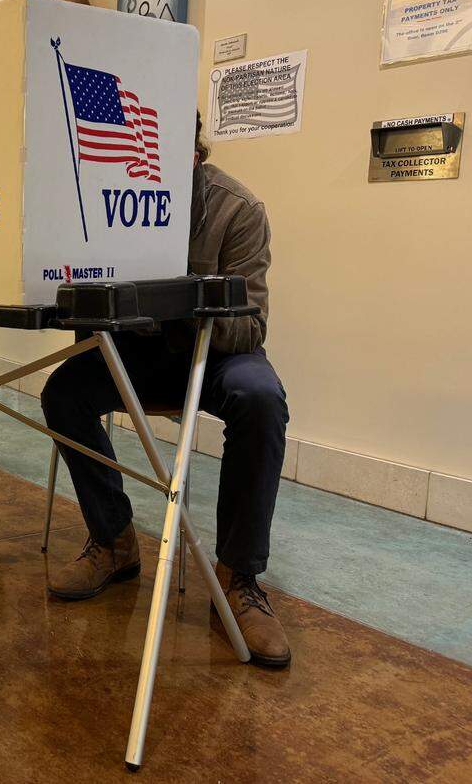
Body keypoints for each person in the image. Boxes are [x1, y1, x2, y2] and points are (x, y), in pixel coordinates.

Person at [40, 112, 292, 668]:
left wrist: (178, 301)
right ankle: (114, 540)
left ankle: (239, 576)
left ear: (193, 150)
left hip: (217, 352)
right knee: (63, 392)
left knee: (261, 398)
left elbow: (251, 326)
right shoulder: (102, 195)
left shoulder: (238, 209)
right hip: (137, 352)